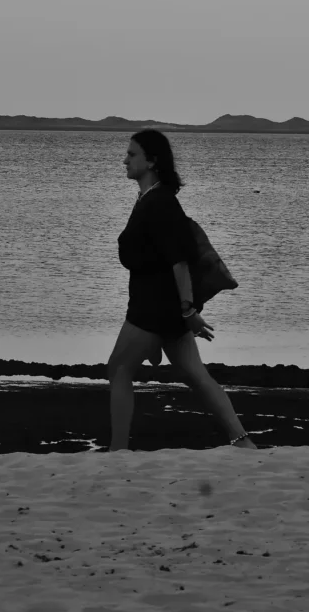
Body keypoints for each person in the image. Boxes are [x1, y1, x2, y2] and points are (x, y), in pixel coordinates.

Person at [107, 128, 257, 452]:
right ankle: (243, 443)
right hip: (164, 309)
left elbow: (180, 262)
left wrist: (188, 311)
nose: (125, 160)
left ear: (152, 161)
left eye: (132, 154)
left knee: (118, 368)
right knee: (196, 376)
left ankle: (117, 452)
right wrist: (184, 313)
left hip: (155, 310)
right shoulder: (150, 200)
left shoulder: (161, 203)